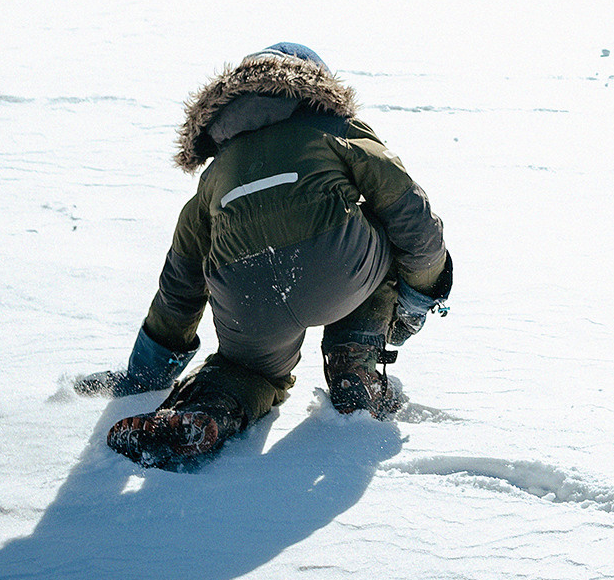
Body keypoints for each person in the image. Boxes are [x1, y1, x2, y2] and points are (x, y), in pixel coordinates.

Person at [88, 41, 454, 469]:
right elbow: (410, 211)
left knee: (247, 371)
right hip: (340, 270)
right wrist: (419, 296)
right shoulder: (336, 127)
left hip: (245, 293)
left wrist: (146, 374)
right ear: (317, 85)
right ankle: (354, 361)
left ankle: (208, 409)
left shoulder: (215, 174)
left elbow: (180, 282)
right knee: (390, 228)